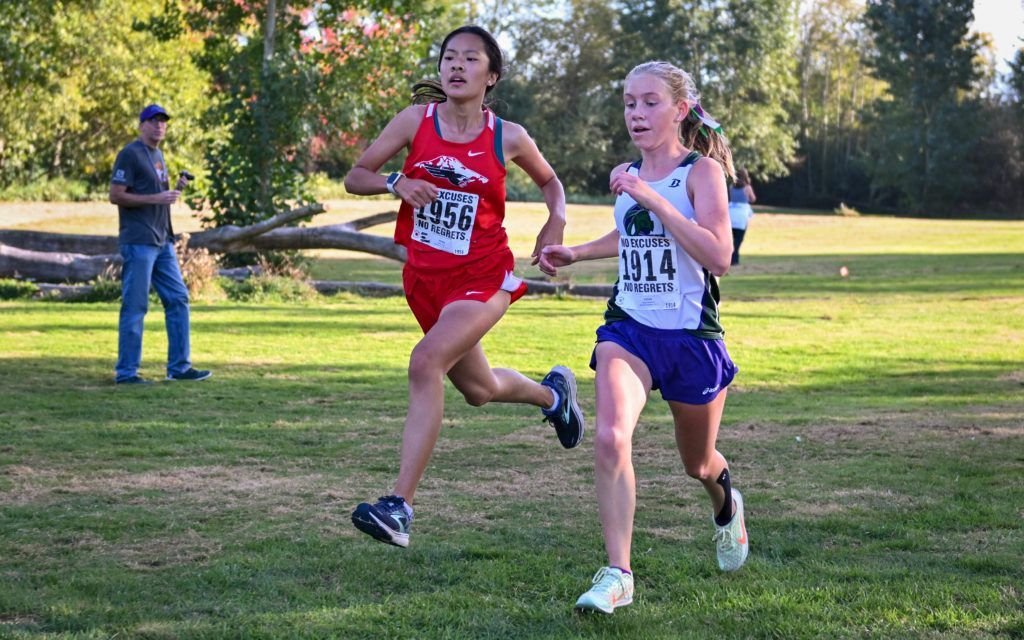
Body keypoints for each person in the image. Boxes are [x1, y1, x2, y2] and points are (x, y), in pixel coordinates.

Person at [343, 25, 584, 548]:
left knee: (425, 361)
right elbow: (355, 175)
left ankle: (399, 507)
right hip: (425, 280)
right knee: (478, 390)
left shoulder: (508, 136)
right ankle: (553, 396)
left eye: (470, 59)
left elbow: (551, 182)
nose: (456, 66)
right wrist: (395, 182)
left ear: (490, 75)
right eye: (449, 57)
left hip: (483, 276)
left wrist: (555, 222)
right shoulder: (414, 122)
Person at [540, 61, 748, 614]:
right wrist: (578, 252)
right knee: (610, 437)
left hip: (690, 339)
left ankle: (726, 505)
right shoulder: (629, 176)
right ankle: (618, 574)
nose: (636, 112)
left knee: (697, 463)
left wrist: (648, 194)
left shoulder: (701, 173)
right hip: (629, 328)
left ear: (680, 109)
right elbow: (632, 233)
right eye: (629, 102)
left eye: (649, 102)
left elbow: (718, 256)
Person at [109, 104, 211, 385]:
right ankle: (126, 372)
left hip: (162, 240)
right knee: (136, 305)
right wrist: (156, 198)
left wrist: (175, 189)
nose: (159, 126)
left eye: (163, 121)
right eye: (153, 121)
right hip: (139, 241)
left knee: (178, 299)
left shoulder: (158, 155)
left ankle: (179, 367)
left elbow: (160, 195)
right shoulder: (130, 154)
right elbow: (116, 195)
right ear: (141, 125)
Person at [728, 167, 756, 265]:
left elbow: (731, 198)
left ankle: (729, 257)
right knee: (739, 238)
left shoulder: (732, 187)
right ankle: (735, 258)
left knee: (731, 237)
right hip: (741, 214)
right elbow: (753, 199)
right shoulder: (747, 187)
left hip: (731, 212)